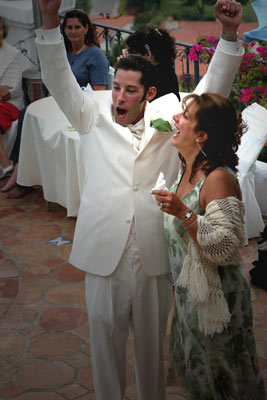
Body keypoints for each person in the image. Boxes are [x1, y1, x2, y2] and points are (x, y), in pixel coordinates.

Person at [35, 0, 244, 399]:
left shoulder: (170, 114)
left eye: (130, 90)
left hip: (152, 255)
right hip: (102, 253)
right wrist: (48, 21)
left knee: (151, 351)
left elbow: (212, 90)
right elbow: (59, 78)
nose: (119, 97)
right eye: (116, 87)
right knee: (104, 347)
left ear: (148, 93)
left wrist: (230, 36)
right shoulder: (90, 114)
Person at [152, 92, 265, 399]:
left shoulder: (217, 179)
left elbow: (227, 246)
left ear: (201, 134)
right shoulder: (187, 168)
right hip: (192, 294)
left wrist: (182, 212)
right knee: (201, 377)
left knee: (223, 381)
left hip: (217, 301)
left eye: (184, 116)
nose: (176, 118)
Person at [1, 7, 109, 198]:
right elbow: (53, 83)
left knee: (31, 117)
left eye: (77, 27)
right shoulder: (64, 52)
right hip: (58, 104)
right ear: (64, 30)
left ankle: (21, 177)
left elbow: (99, 93)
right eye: (69, 27)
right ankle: (20, 172)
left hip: (79, 110)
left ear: (86, 29)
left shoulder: (95, 56)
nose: (73, 31)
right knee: (29, 113)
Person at [123, 24, 180, 101]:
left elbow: (128, 101)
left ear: (148, 54)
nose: (131, 58)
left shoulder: (150, 79)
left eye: (133, 54)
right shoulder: (167, 71)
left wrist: (125, 69)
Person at [0, 15, 23, 177]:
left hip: (10, 104)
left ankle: (5, 163)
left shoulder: (12, 54)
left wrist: (3, 90)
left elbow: (10, 90)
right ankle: (5, 163)